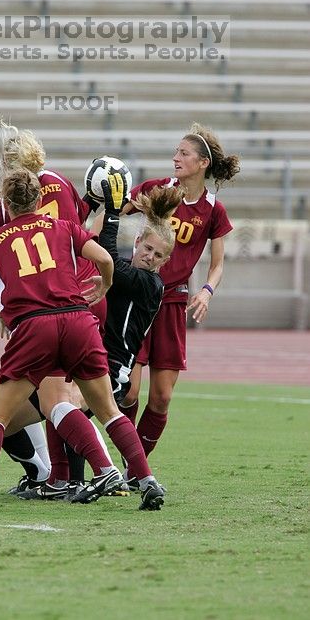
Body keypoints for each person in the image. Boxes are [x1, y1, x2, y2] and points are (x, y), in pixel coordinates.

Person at [0, 168, 166, 513]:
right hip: (77, 321)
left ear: (6, 204)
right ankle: (146, 482)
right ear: (40, 200)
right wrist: (105, 284)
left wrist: (3, 311)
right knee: (109, 411)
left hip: (33, 327)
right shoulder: (65, 227)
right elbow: (103, 257)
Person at [23, 173, 184, 500]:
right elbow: (99, 254)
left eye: (158, 255)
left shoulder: (149, 284)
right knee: (57, 402)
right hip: (93, 356)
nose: (150, 257)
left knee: (69, 409)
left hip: (115, 367)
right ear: (138, 243)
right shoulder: (125, 272)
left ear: (166, 261)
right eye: (148, 248)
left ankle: (95, 479)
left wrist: (111, 210)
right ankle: (73, 480)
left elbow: (106, 251)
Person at [0, 122, 105, 496]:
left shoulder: (0, 206)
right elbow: (79, 227)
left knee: (46, 402)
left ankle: (84, 475)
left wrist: (5, 307)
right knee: (68, 397)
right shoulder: (61, 183)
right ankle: (65, 476)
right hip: (85, 294)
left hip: (42, 308)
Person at [117, 122, 240, 485]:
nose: (175, 158)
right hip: (139, 297)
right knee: (127, 391)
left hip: (173, 303)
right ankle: (115, 462)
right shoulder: (159, 190)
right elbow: (116, 209)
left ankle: (129, 472)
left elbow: (217, 264)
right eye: (175, 153)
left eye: (183, 154)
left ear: (202, 163)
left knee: (161, 399)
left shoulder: (213, 210)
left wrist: (206, 291)